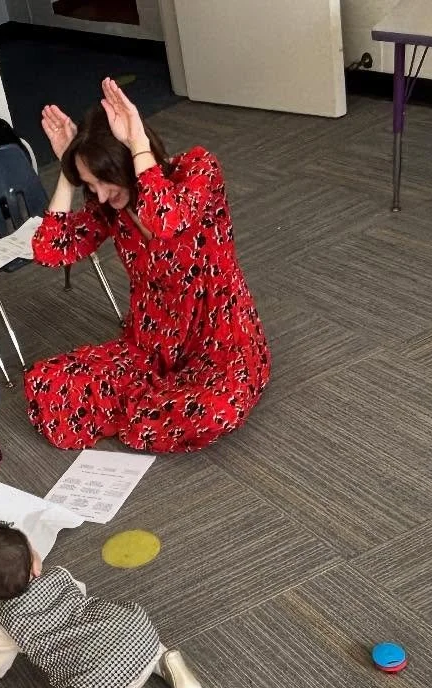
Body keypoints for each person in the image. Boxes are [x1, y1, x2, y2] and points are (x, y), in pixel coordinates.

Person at [26, 78, 269, 454]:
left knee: (217, 409)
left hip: (220, 342)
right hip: (152, 345)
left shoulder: (199, 170)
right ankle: (146, 405)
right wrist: (70, 169)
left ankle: (134, 406)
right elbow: (50, 249)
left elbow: (166, 222)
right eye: (91, 187)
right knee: (47, 383)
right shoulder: (111, 207)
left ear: (127, 160)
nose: (102, 196)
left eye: (105, 181)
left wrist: (137, 140)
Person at [0, 522, 201, 688]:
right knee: (123, 627)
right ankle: (164, 660)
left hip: (102, 677)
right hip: (140, 634)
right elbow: (80, 594)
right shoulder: (59, 574)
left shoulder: (4, 625)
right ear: (35, 567)